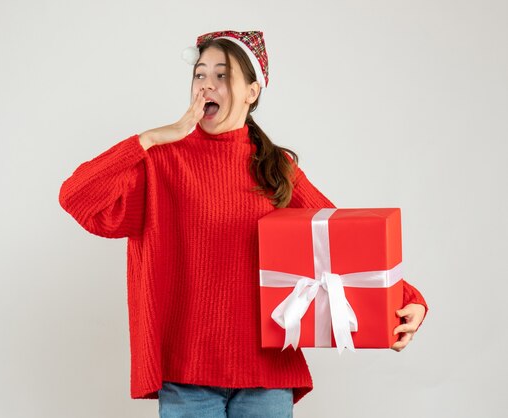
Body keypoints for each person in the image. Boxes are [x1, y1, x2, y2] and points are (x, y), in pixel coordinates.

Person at [59, 30, 428, 418]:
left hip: (267, 372)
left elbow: (341, 242)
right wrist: (151, 138)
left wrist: (409, 300)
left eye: (222, 75)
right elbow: (76, 197)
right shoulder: (161, 161)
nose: (207, 86)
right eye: (200, 75)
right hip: (186, 373)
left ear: (252, 91)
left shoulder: (276, 168)